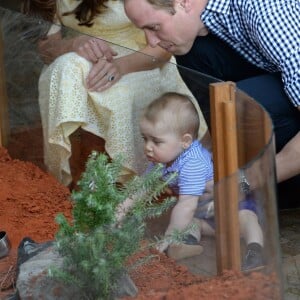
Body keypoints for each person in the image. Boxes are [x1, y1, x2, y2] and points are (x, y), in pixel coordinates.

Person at [123, 0, 300, 201]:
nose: (152, 42)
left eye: (154, 27)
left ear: (184, 2)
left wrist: (243, 183)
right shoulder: (205, 25)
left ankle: (261, 185)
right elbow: (221, 122)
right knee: (195, 54)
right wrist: (181, 167)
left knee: (237, 101)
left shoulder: (267, 12)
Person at [21, 0, 208, 186]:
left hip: (141, 58)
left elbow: (164, 46)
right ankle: (72, 176)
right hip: (83, 57)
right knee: (64, 69)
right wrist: (74, 43)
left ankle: (126, 180)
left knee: (119, 92)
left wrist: (120, 67)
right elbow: (47, 50)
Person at [118, 92, 264, 269]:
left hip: (235, 202)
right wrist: (118, 213)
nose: (148, 147)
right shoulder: (163, 159)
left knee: (246, 218)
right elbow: (140, 189)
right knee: (192, 221)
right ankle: (185, 244)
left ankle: (255, 251)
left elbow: (187, 204)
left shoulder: (192, 162)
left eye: (156, 141)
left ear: (185, 141)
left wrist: (169, 236)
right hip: (209, 214)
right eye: (145, 138)